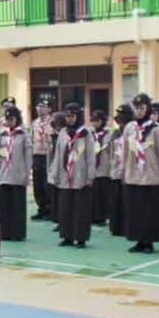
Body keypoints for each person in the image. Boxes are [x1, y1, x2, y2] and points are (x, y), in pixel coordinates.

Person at [123, 93, 159, 253]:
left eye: (142, 108)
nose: (139, 111)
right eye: (136, 108)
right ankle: (138, 240)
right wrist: (124, 170)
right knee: (135, 210)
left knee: (149, 211)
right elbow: (125, 150)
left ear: (148, 108)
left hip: (150, 175)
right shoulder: (130, 127)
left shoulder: (156, 128)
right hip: (133, 174)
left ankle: (149, 241)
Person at [50, 103, 95, 248]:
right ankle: (67, 236)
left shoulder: (85, 133)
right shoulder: (63, 133)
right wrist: (55, 175)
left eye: (72, 116)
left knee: (81, 209)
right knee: (65, 208)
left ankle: (80, 238)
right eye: (67, 116)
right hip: (65, 177)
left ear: (78, 116)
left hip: (80, 176)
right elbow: (57, 155)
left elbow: (90, 156)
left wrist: (90, 176)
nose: (69, 119)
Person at [0, 105, 32, 241]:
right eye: (7, 119)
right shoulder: (3, 134)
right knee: (4, 205)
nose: (9, 122)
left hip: (18, 174)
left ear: (17, 119)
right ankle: (5, 232)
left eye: (12, 119)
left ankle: (18, 233)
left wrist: (26, 173)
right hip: (4, 173)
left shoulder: (23, 135)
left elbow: (28, 156)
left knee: (18, 206)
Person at [108, 104, 134, 238]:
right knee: (115, 200)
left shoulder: (133, 131)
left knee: (126, 201)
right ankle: (116, 227)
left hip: (128, 171)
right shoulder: (115, 133)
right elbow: (111, 152)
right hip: (116, 170)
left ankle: (126, 227)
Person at [31, 100, 53, 220]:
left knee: (46, 184)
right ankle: (41, 208)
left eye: (43, 107)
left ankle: (49, 209)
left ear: (49, 109)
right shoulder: (35, 123)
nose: (40, 109)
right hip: (36, 154)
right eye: (38, 106)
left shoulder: (52, 122)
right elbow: (31, 139)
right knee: (37, 183)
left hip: (47, 155)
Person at [89, 110, 111, 226]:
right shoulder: (90, 135)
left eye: (97, 121)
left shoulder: (108, 134)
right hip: (93, 168)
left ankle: (102, 216)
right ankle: (93, 215)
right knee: (93, 193)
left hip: (104, 167)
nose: (94, 123)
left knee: (103, 193)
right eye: (93, 121)